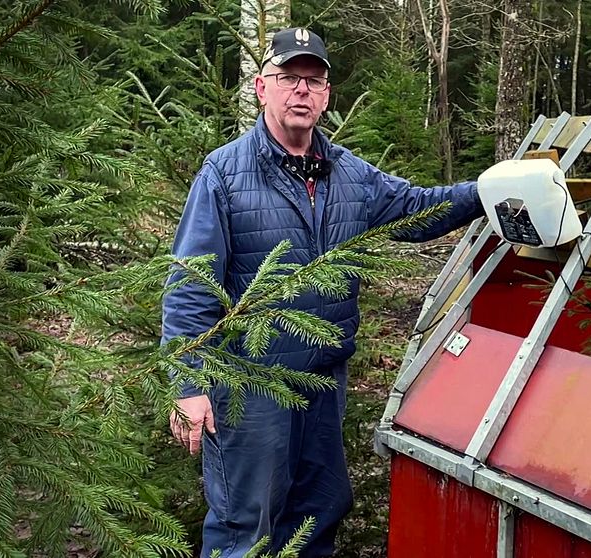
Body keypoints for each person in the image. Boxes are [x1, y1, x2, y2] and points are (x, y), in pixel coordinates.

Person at [160, 27, 483, 558]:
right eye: (290, 77)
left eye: (314, 80)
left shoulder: (349, 174)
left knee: (316, 520)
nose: (302, 90)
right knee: (247, 527)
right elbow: (190, 285)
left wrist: (485, 192)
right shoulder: (224, 174)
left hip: (322, 383)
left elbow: (418, 209)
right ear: (263, 87)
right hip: (249, 387)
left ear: (327, 96)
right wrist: (189, 383)